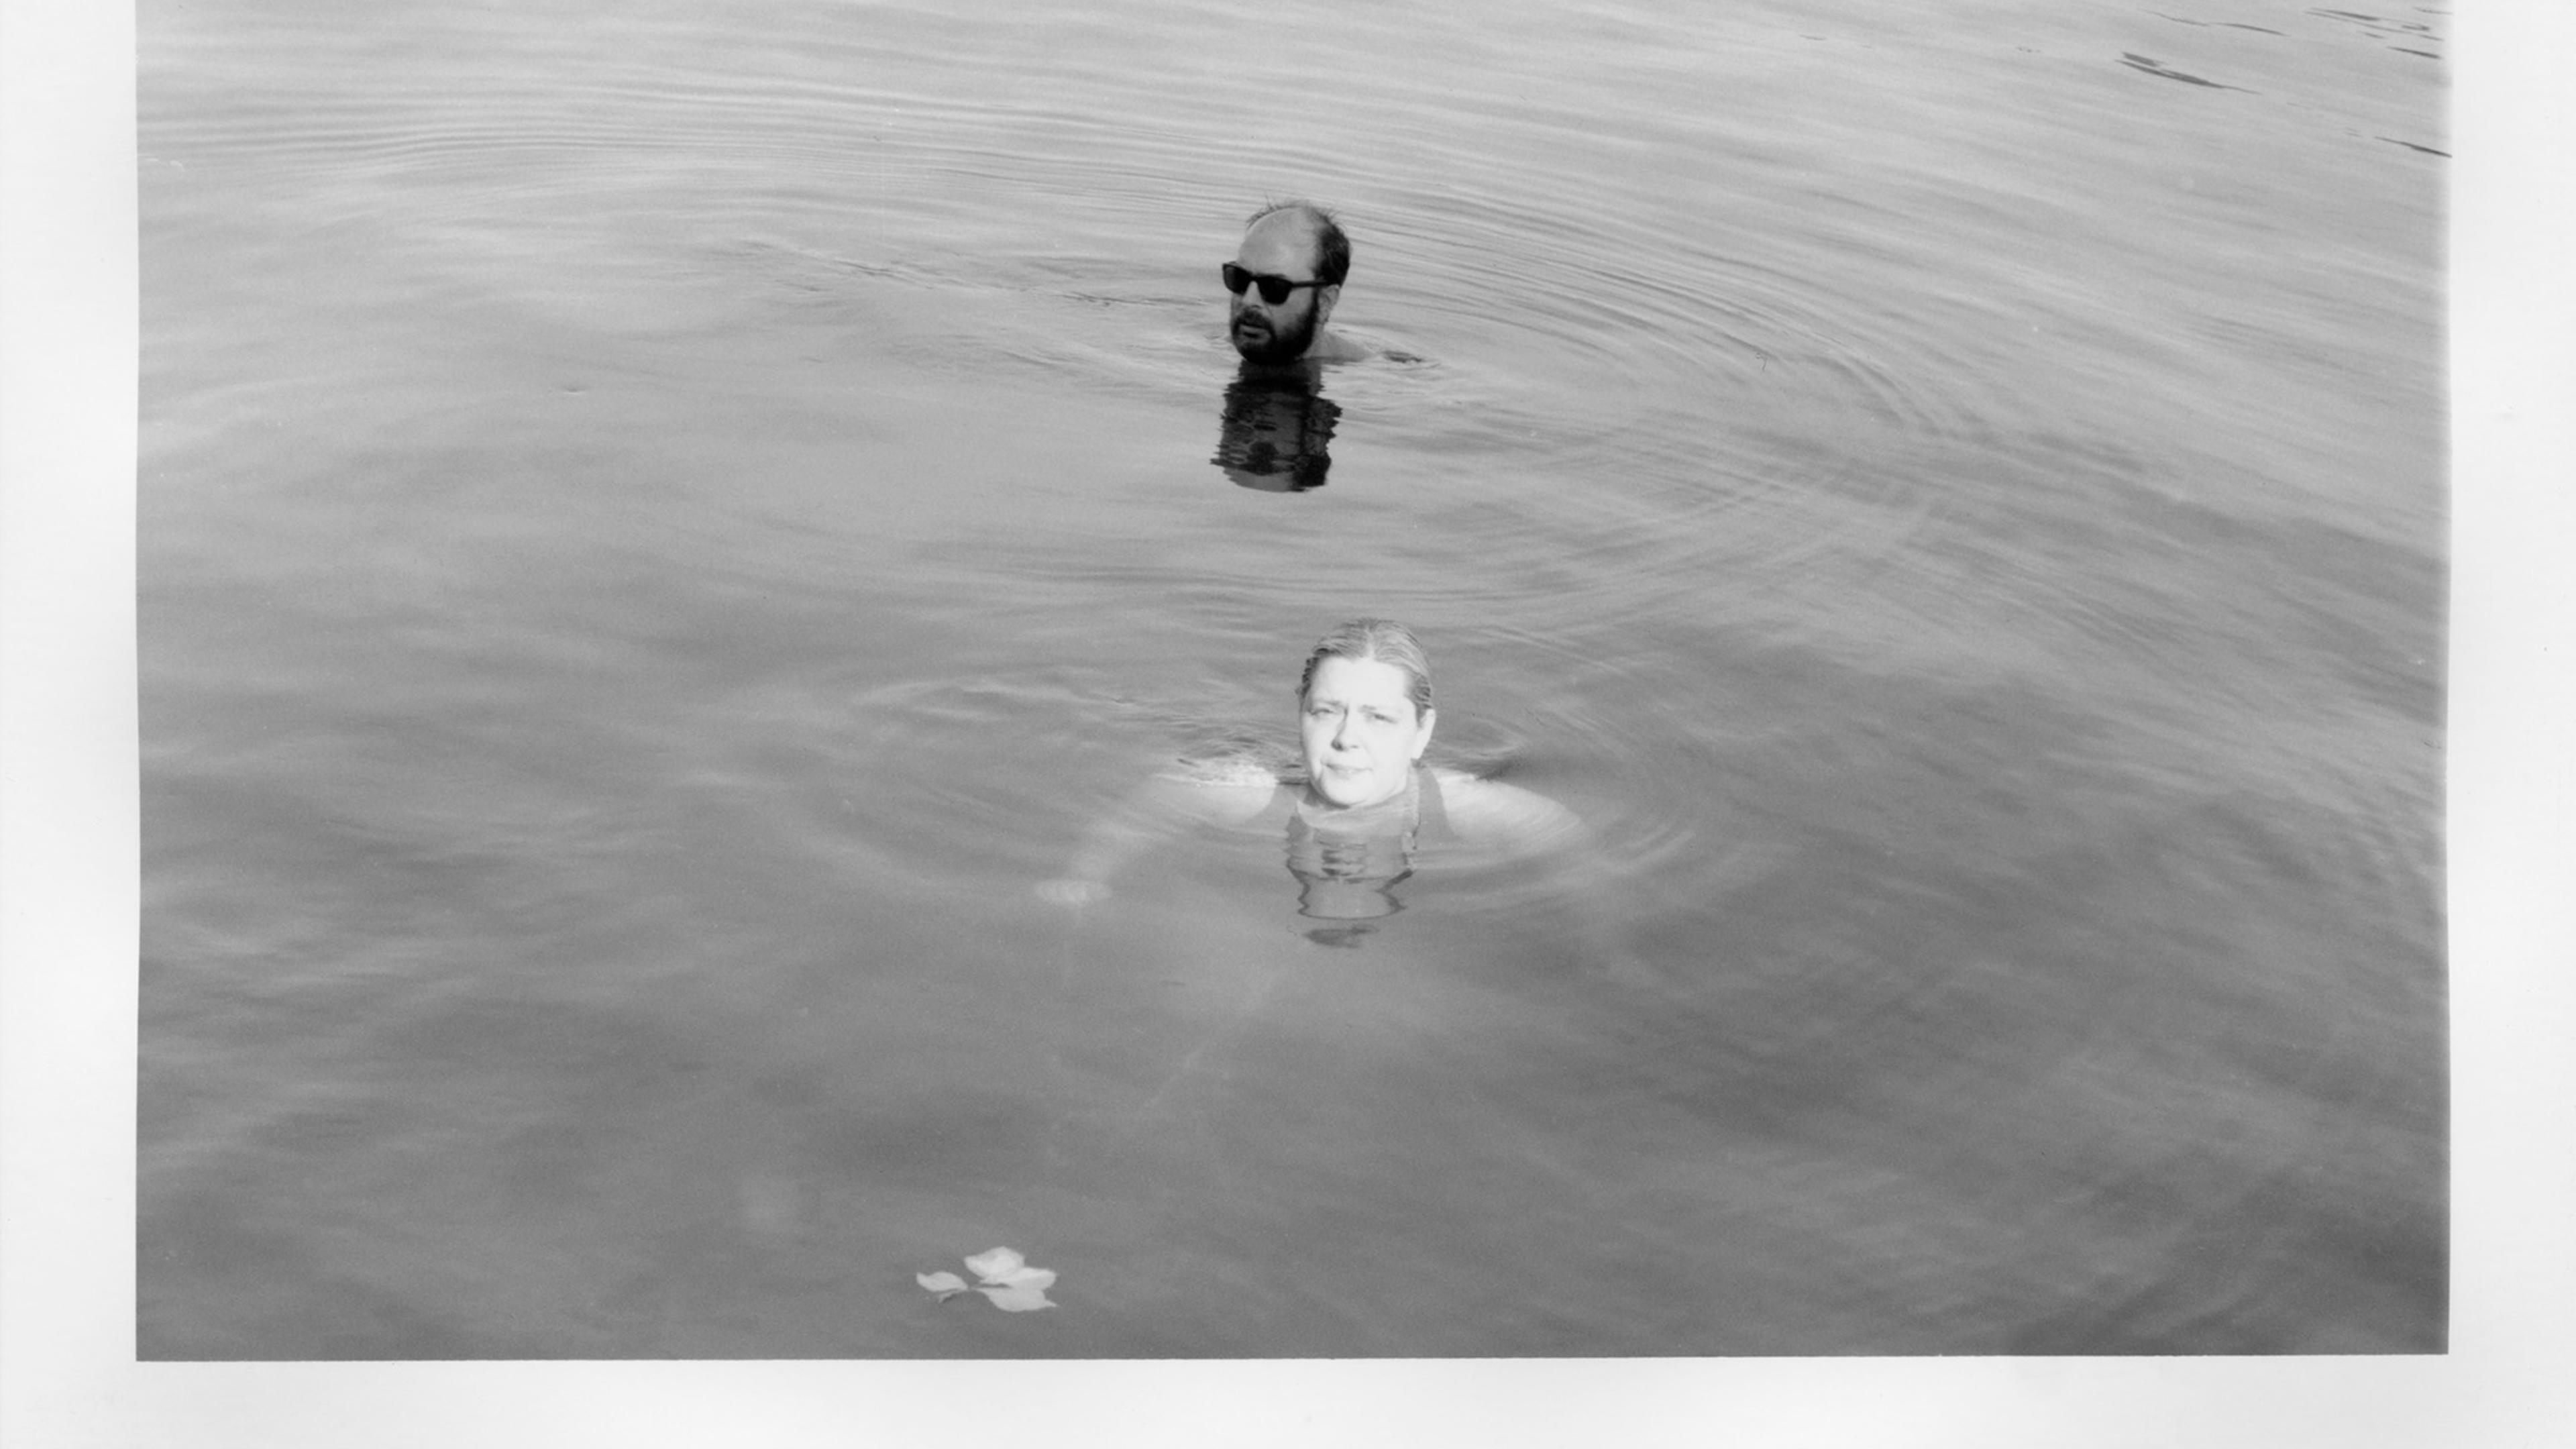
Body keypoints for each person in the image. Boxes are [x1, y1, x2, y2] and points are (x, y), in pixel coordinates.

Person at [1037, 620, 1587, 931]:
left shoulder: (1469, 805)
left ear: (1422, 732)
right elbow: (1149, 807)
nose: (1347, 737)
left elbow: (1570, 846)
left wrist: (1606, 949)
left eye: (1378, 718)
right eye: (1327, 712)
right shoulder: (1247, 790)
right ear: (1300, 714)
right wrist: (1085, 876)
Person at [1223, 201, 1368, 366]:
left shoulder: (1372, 371)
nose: (1249, 301)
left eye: (1274, 287)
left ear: (1325, 302)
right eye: (1239, 279)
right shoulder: (1213, 347)